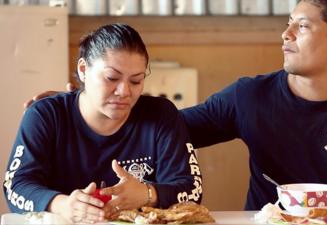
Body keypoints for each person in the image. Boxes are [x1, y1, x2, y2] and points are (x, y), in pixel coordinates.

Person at [22, 0, 327, 211]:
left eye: (302, 27)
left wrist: (312, 204)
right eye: (288, 22)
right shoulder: (251, 96)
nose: (285, 34)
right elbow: (164, 129)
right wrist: (81, 105)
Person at [3, 23, 202, 223]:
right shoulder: (46, 115)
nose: (124, 91)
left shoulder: (161, 115)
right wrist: (62, 205)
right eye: (111, 78)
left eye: (136, 81)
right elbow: (16, 185)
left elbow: (192, 189)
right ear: (83, 70)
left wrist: (147, 194)